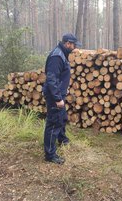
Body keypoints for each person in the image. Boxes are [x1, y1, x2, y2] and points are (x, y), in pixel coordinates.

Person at [42, 33, 82, 164]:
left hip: (59, 93)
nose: (74, 47)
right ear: (68, 43)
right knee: (53, 123)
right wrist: (58, 98)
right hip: (55, 95)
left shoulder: (62, 54)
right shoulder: (57, 56)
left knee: (62, 118)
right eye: (73, 45)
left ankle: (62, 140)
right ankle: (50, 154)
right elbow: (52, 79)